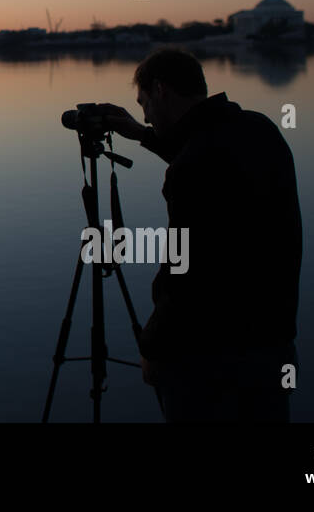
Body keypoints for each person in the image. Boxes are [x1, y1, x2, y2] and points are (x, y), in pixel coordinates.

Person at [95, 47, 302, 422]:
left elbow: (183, 273)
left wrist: (153, 347)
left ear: (161, 91)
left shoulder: (193, 166)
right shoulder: (259, 130)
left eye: (143, 103)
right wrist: (142, 134)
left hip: (208, 359)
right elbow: (208, 151)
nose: (145, 114)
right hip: (273, 344)